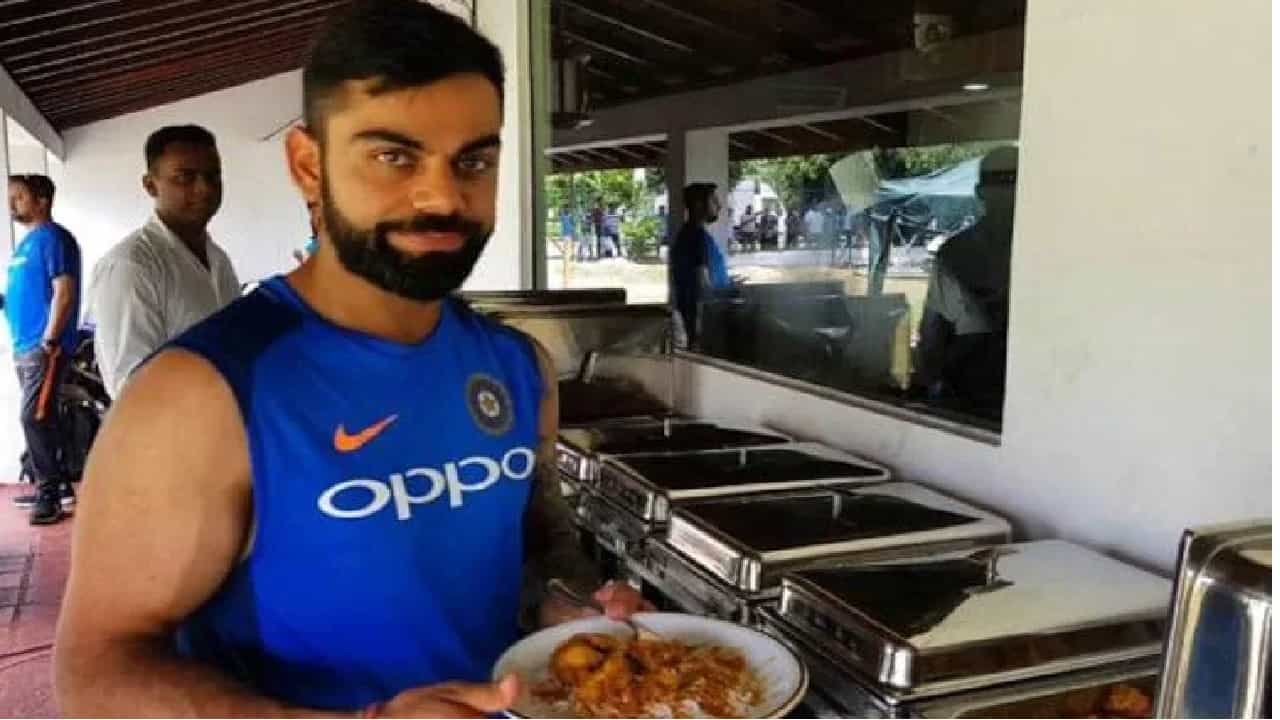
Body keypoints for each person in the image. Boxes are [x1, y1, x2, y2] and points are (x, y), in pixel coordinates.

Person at [54, 2, 648, 716]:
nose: (442, 197)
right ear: (309, 165)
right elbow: (95, 676)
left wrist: (567, 602)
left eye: (473, 160)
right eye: (394, 156)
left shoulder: (519, 368)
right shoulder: (200, 395)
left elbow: (535, 543)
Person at [89, 125, 241, 400]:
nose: (204, 189)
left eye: (213, 176)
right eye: (185, 178)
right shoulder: (131, 266)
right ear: (150, 185)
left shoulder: (218, 260)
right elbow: (131, 389)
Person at [912, 146, 1018, 420]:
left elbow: (931, 345)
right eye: (1004, 184)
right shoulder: (955, 255)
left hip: (974, 403)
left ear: (979, 193)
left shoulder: (956, 254)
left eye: (1011, 184)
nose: (1008, 195)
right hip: (974, 401)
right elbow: (931, 343)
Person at [5, 174, 81, 525]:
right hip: (24, 346)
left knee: (33, 417)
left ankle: (49, 493)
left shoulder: (53, 238)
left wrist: (50, 339)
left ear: (42, 200)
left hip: (43, 347)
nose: (11, 204)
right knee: (44, 417)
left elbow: (63, 291)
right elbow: (25, 294)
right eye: (10, 197)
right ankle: (57, 485)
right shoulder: (26, 245)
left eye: (19, 196)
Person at [670, 182, 732, 348]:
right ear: (698, 205)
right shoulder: (695, 237)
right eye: (714, 201)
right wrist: (730, 293)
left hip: (701, 317)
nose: (719, 205)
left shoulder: (691, 234)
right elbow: (702, 285)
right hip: (703, 320)